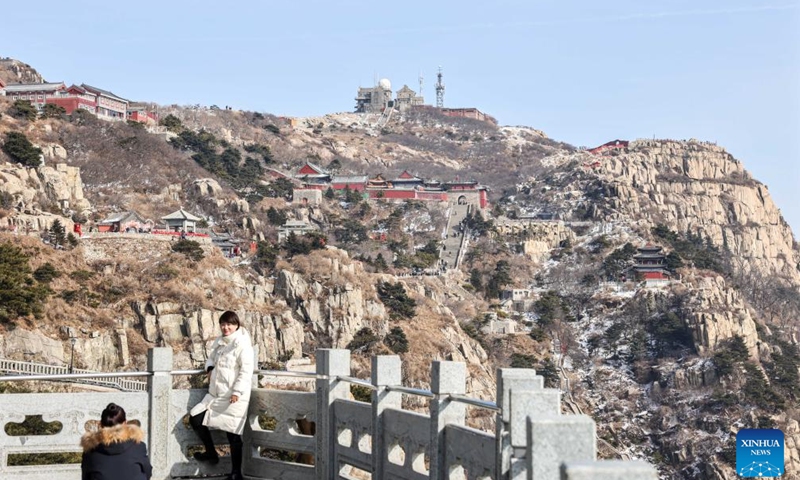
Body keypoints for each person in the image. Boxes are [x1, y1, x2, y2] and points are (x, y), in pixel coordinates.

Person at [189, 311, 254, 480]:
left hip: (234, 395)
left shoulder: (242, 345)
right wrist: (210, 368)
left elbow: (246, 371)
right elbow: (211, 359)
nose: (226, 328)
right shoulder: (220, 342)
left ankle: (235, 473)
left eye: (229, 324)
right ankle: (211, 453)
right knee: (195, 418)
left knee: (232, 434)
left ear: (237, 325)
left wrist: (237, 392)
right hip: (215, 394)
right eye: (223, 324)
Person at [80, 403, 152, 480]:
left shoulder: (90, 451)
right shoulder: (138, 447)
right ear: (125, 423)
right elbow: (148, 472)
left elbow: (86, 477)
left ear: (101, 424)